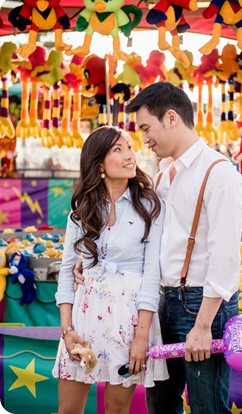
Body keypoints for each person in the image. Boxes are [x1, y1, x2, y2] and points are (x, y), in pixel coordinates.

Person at [74, 82, 242, 414]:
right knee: (161, 406)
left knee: (206, 407)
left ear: (170, 118)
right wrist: (87, 261)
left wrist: (202, 325)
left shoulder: (218, 173)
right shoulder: (164, 173)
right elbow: (136, 236)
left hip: (201, 305)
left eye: (145, 128)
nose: (144, 139)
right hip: (163, 302)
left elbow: (226, 259)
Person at [52, 125, 168, 414]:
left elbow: (152, 276)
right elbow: (67, 272)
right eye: (119, 149)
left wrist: (141, 339)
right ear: (99, 163)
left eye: (130, 147)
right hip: (82, 320)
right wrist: (67, 330)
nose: (131, 155)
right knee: (68, 410)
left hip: (128, 322)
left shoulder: (150, 206)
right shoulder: (80, 211)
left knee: (116, 411)